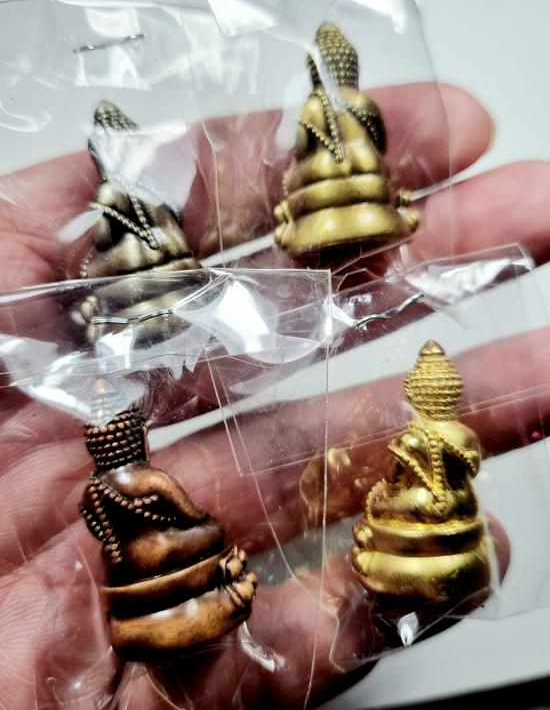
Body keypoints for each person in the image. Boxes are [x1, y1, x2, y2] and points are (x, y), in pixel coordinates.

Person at [0, 83, 547, 708]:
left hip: (142, 562)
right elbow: (180, 512)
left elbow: (110, 528)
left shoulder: (103, 489)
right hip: (165, 553)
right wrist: (197, 528)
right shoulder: (451, 434)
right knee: (196, 541)